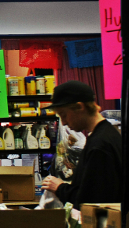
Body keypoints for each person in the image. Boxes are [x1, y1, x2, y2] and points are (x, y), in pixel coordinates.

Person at [41, 81, 122, 209]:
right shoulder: (105, 134)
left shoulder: (100, 145)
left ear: (80, 107)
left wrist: (60, 188)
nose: (64, 122)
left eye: (64, 115)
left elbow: (91, 201)